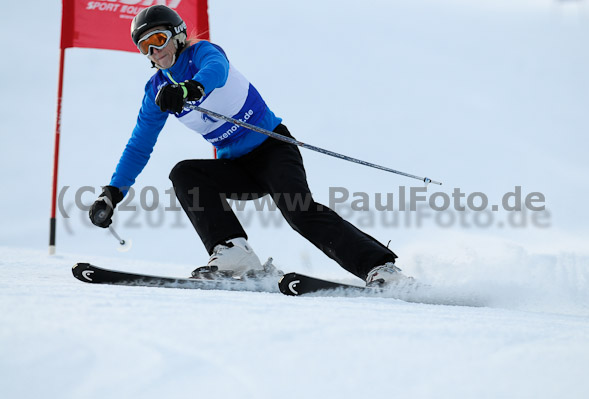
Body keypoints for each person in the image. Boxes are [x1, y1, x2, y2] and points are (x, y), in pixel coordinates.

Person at [88, 5, 409, 286]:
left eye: (158, 39)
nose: (155, 51)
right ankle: (233, 252)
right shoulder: (157, 92)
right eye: (145, 47)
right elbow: (139, 146)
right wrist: (113, 193)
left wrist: (190, 89)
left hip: (273, 149)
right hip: (237, 167)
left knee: (299, 212)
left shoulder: (201, 54)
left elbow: (217, 71)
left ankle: (380, 268)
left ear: (178, 35)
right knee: (185, 173)